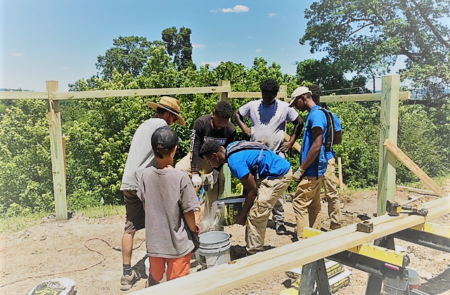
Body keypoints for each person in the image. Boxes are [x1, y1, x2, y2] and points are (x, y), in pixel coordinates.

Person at [119, 96, 185, 290]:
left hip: (129, 180)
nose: (172, 122)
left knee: (129, 228)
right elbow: (168, 151)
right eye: (173, 118)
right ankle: (157, 268)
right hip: (146, 181)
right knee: (156, 223)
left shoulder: (143, 125)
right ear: (168, 114)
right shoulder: (162, 127)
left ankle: (126, 274)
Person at [233, 79, 303, 235]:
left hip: (275, 155)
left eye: (270, 96)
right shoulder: (253, 106)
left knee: (276, 192)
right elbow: (236, 113)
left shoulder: (284, 107)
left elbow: (299, 122)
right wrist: (245, 128)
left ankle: (279, 222)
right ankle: (250, 220)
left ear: (275, 95)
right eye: (264, 95)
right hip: (255, 156)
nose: (266, 99)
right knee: (253, 188)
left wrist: (291, 142)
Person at [200, 139, 292, 254]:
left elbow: (252, 191)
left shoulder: (235, 163)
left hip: (279, 175)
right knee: (253, 208)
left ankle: (255, 253)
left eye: (208, 161)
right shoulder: (231, 147)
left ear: (215, 156)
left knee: (257, 213)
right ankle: (251, 247)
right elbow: (248, 184)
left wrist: (242, 214)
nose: (209, 164)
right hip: (271, 171)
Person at [137, 126, 198, 287]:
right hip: (177, 244)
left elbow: (146, 205)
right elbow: (189, 213)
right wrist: (194, 231)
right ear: (175, 149)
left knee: (155, 278)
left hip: (155, 243)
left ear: (152, 149)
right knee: (178, 286)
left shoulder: (145, 175)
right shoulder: (181, 178)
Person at [175, 101, 236, 220]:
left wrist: (216, 171)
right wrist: (194, 173)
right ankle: (185, 211)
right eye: (217, 123)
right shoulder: (201, 123)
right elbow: (194, 148)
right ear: (213, 115)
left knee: (218, 186)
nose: (219, 127)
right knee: (179, 170)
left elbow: (225, 154)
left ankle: (209, 221)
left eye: (222, 125)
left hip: (216, 162)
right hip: (198, 157)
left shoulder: (230, 130)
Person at [289, 87, 328, 239]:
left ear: (304, 98)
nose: (296, 106)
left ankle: (304, 242)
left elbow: (317, 145)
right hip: (315, 168)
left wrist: (302, 168)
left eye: (296, 103)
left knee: (299, 203)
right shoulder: (313, 114)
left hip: (311, 169)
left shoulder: (316, 115)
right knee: (313, 205)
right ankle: (315, 237)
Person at [310, 85, 343, 230]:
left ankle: (333, 224)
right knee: (329, 193)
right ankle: (331, 224)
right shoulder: (330, 115)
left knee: (326, 193)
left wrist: (321, 144)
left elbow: (337, 138)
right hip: (324, 157)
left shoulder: (325, 115)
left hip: (324, 159)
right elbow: (338, 138)